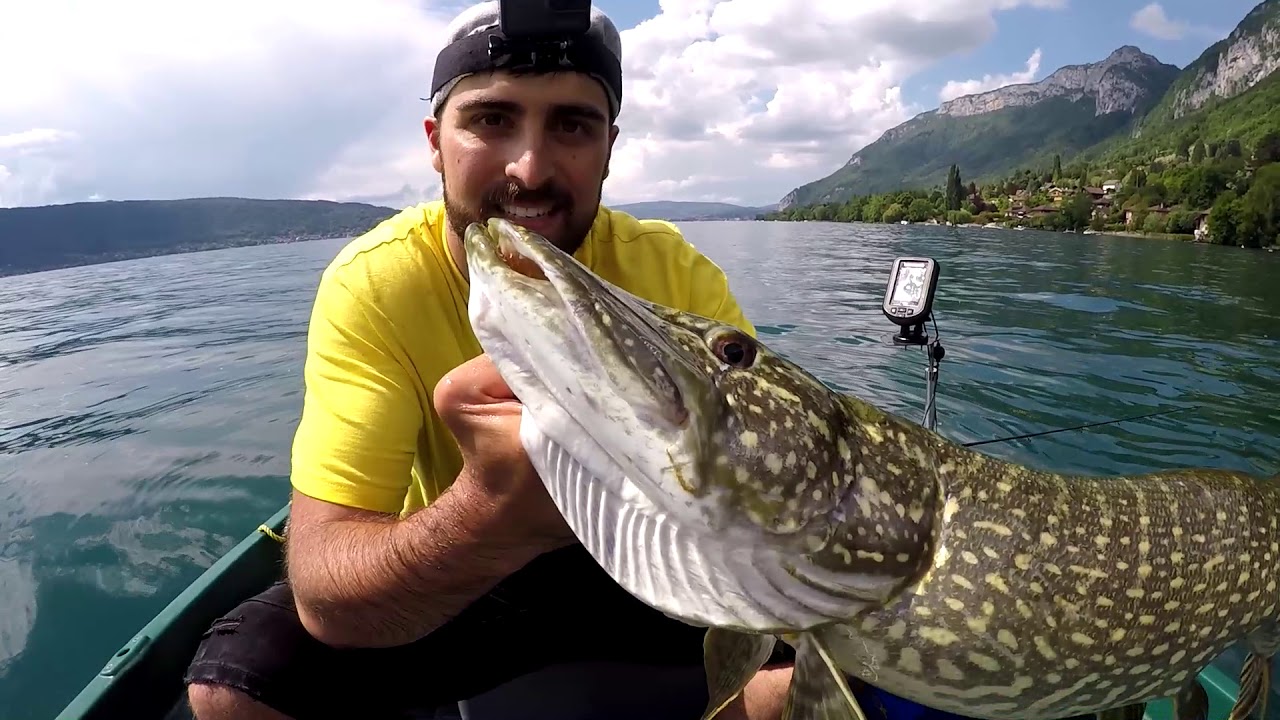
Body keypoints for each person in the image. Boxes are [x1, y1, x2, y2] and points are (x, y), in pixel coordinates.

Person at [181, 2, 795, 718]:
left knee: (813, 671)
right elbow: (324, 589)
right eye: (491, 120)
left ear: (609, 148)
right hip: (467, 574)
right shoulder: (375, 283)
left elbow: (769, 488)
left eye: (571, 125)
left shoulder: (673, 270)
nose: (529, 170)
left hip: (648, 555)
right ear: (435, 142)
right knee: (238, 685)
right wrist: (493, 516)